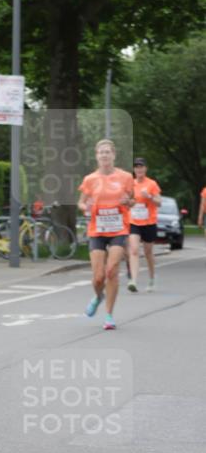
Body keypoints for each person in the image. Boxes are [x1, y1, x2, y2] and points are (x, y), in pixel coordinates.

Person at [78, 139, 133, 330]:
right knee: (98, 277)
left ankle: (109, 315)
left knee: (112, 271)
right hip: (97, 230)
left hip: (119, 229)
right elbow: (81, 202)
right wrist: (86, 207)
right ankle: (98, 296)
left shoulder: (126, 177)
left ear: (113, 155)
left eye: (107, 152)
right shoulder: (90, 179)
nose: (104, 155)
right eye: (101, 152)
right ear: (96, 156)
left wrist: (128, 202)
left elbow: (133, 200)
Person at [127, 157, 161, 292]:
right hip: (134, 222)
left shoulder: (152, 184)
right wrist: (129, 202)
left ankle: (152, 278)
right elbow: (127, 202)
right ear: (134, 169)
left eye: (141, 166)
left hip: (149, 223)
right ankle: (133, 281)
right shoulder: (130, 184)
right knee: (134, 250)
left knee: (148, 253)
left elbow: (159, 202)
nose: (139, 169)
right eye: (136, 167)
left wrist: (149, 197)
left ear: (145, 168)